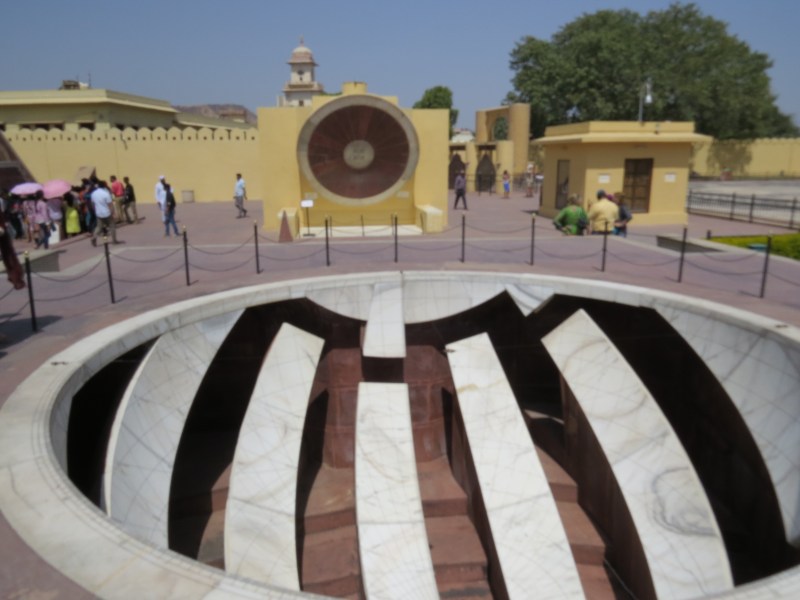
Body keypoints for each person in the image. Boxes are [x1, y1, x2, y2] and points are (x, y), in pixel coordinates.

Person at [90, 181, 118, 246]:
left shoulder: (93, 193)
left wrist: (95, 210)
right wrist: (113, 213)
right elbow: (110, 204)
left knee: (99, 227)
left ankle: (93, 237)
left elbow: (92, 204)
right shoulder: (106, 193)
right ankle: (114, 240)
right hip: (107, 213)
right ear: (104, 186)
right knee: (112, 226)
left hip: (99, 213)